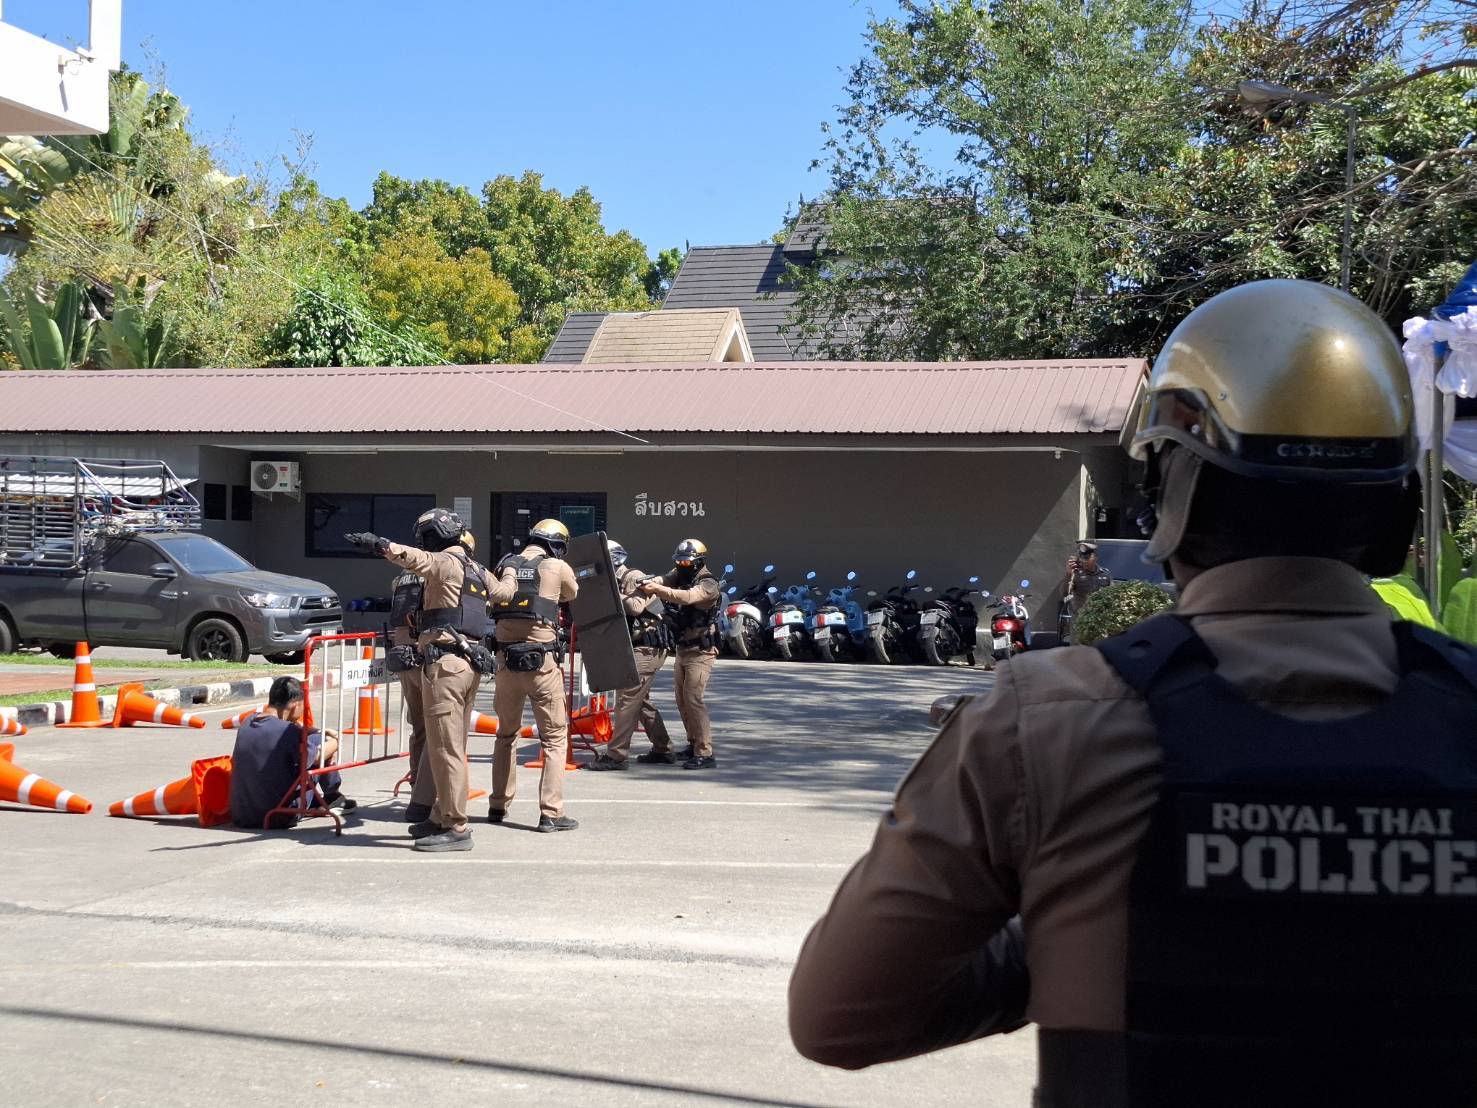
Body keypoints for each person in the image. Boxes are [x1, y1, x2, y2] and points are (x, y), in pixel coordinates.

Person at [788, 280, 1477, 1105]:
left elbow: (843, 1016)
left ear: (1175, 494)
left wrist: (1064, 936)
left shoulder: (1047, 718)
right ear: (1396, 507)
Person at [346, 509, 492, 853]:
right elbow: (503, 592)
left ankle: (454, 825)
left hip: (444, 665)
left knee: (443, 748)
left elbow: (414, 559)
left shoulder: (443, 563)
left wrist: (380, 544)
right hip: (465, 662)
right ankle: (439, 815)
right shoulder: (477, 571)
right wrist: (515, 571)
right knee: (446, 745)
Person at [487, 518, 579, 831]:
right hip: (542, 663)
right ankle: (551, 813)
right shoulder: (556, 566)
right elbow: (572, 593)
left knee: (505, 735)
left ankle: (498, 805)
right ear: (558, 544)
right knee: (554, 739)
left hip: (505, 662)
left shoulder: (505, 564)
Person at [589, 539, 674, 770]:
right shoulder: (614, 580)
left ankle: (616, 756)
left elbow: (636, 607)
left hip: (648, 646)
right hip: (635, 646)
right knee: (640, 701)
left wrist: (611, 592)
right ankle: (663, 749)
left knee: (627, 700)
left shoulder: (633, 577)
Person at [230, 675, 352, 829]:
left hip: (243, 814)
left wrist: (318, 730)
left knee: (309, 742)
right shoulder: (287, 731)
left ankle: (317, 799)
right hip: (280, 815)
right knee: (318, 742)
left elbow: (293, 728)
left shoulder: (248, 722)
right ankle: (332, 794)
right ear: (296, 704)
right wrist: (335, 741)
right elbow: (316, 757)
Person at [641, 538, 720, 769]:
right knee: (682, 701)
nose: (682, 565)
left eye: (686, 562)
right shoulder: (680, 574)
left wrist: (657, 590)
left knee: (694, 699)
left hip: (701, 651)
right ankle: (693, 743)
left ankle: (705, 753)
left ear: (698, 562)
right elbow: (664, 579)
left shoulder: (708, 584)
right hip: (683, 648)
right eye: (679, 561)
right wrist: (649, 581)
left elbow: (687, 597)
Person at [387, 563, 435, 824]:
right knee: (436, 728)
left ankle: (417, 786)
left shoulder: (401, 578)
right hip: (423, 653)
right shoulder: (432, 573)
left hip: (403, 654)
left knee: (419, 728)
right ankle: (429, 794)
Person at [1066, 539, 1112, 616]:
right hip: (1079, 618)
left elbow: (1111, 595)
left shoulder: (1105, 574)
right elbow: (1064, 594)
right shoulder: (1075, 573)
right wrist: (1068, 575)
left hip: (1098, 617)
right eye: (1081, 557)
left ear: (1096, 557)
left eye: (1087, 558)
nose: (1084, 561)